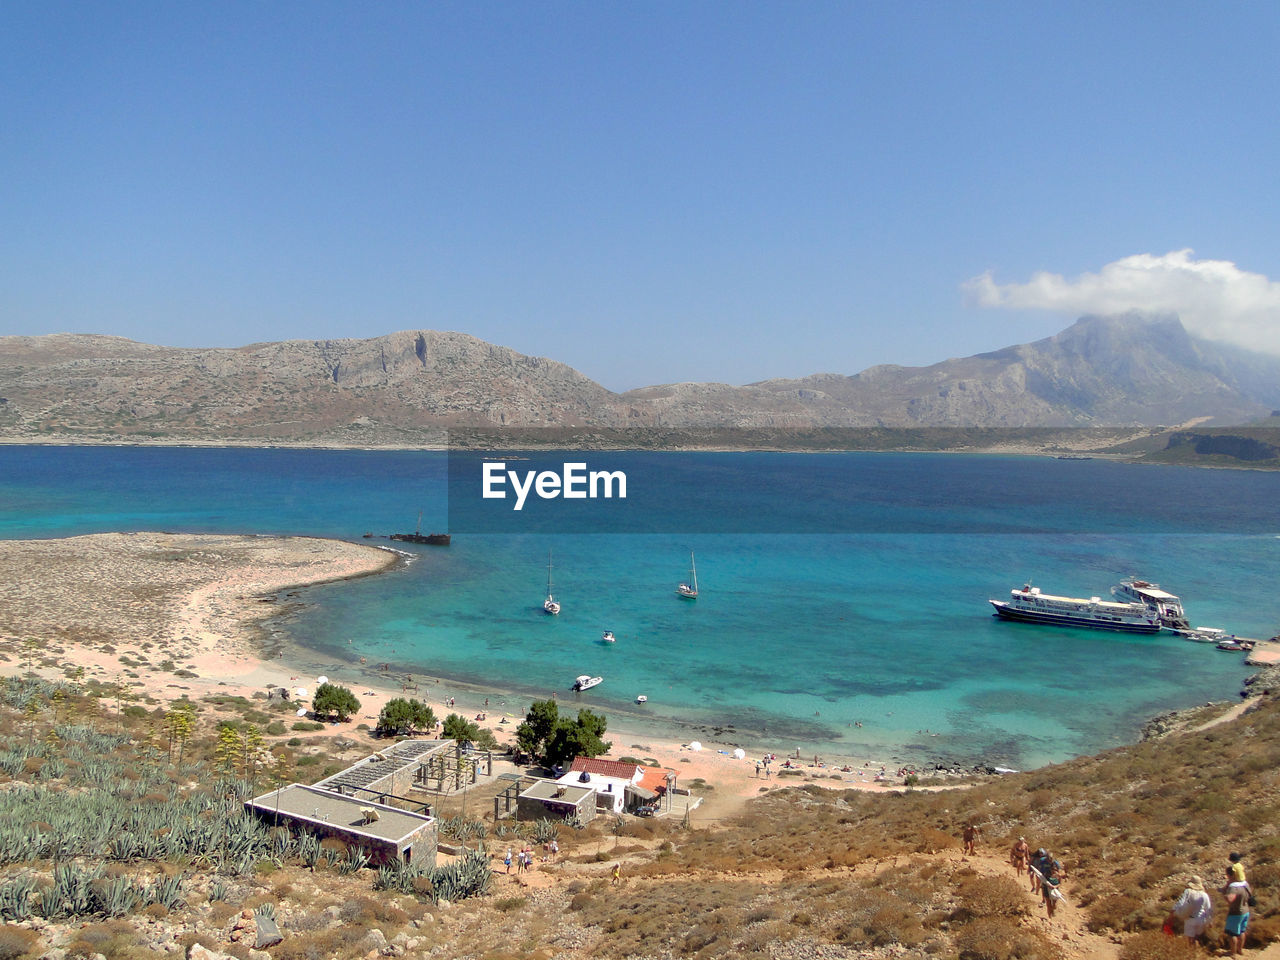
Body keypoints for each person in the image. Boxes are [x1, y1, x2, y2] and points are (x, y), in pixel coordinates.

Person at [1166, 875, 1212, 943]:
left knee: (1190, 940)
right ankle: (1197, 952)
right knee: (1197, 938)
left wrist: (1173, 911)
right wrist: (1210, 921)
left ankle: (1192, 952)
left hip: (1190, 919)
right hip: (1201, 920)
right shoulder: (1204, 895)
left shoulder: (1188, 892)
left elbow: (1181, 903)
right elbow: (1208, 908)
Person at [1223, 869, 1252, 956]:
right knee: (1242, 931)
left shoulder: (1234, 887)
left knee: (1231, 934)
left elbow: (1230, 899)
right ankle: (1240, 950)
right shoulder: (1245, 884)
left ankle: (1233, 953)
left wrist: (1225, 894)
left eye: (1227, 875)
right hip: (1245, 911)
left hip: (1235, 913)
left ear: (1231, 876)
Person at [1031, 849, 1065, 917]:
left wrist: (1058, 875)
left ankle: (1052, 909)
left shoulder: (1055, 863)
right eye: (1049, 859)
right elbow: (1039, 869)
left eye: (1051, 859)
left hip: (1054, 884)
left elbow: (1061, 875)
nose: (1050, 860)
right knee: (1048, 902)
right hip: (1045, 880)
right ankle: (1049, 916)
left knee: (1054, 903)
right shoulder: (1042, 860)